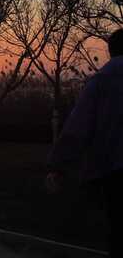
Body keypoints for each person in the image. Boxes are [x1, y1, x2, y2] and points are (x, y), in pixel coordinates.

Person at [46, 29, 123, 257]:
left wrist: (57, 166)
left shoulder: (101, 81)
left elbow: (77, 128)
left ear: (110, 51)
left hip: (114, 172)